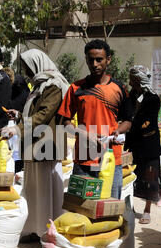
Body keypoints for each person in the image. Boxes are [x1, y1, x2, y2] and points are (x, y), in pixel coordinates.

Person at [1, 49, 70, 242]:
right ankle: (34, 228)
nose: (27, 72)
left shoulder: (54, 85)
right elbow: (34, 113)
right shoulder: (40, 85)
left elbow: (44, 114)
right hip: (35, 144)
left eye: (28, 67)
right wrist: (19, 115)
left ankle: (48, 232)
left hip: (46, 145)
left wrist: (18, 129)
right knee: (33, 189)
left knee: (46, 192)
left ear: (37, 64)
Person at [57, 39, 133, 199]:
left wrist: (117, 130)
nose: (95, 64)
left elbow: (128, 120)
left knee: (109, 208)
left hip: (111, 159)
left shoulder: (119, 89)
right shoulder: (76, 88)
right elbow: (65, 122)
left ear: (108, 60)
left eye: (99, 59)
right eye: (91, 60)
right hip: (83, 160)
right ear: (86, 60)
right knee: (82, 209)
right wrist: (83, 134)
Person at [124, 66, 161, 224]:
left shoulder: (153, 98)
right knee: (130, 175)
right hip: (133, 142)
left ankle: (147, 210)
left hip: (148, 143)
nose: (130, 82)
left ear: (139, 80)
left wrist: (130, 124)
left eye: (133, 80)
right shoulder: (131, 95)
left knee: (150, 176)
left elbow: (148, 121)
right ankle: (130, 207)